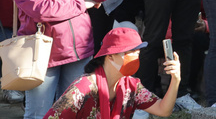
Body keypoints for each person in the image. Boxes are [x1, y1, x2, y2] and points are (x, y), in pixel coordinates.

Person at [43, 26, 181, 118]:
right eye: (129, 53)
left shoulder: (132, 87)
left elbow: (164, 110)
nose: (134, 58)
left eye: (137, 53)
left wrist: (176, 80)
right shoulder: (82, 88)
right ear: (110, 56)